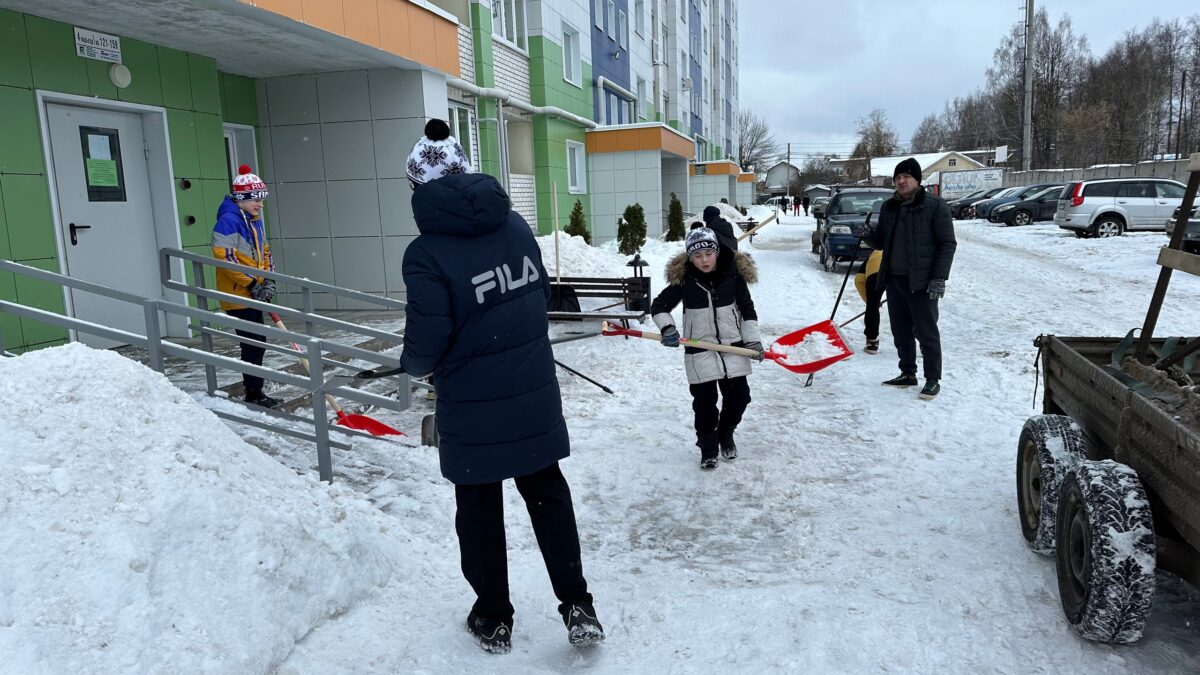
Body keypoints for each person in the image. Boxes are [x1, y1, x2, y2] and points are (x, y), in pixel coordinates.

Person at [399, 119, 603, 654]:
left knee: (479, 505)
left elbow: (428, 334)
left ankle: (493, 616)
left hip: (471, 400)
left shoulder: (426, 253)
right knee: (547, 494)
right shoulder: (513, 226)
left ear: (419, 186)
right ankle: (577, 604)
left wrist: (415, 363)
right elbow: (533, 295)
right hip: (531, 387)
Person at [650, 227, 762, 469]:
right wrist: (667, 328)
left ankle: (726, 434)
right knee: (704, 406)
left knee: (740, 398)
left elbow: (747, 309)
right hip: (699, 351)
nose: (704, 260)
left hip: (733, 349)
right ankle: (708, 449)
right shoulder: (685, 280)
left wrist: (752, 340)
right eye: (697, 256)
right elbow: (659, 306)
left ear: (716, 252)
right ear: (690, 258)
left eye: (708, 254)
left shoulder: (733, 275)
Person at [863, 157, 956, 400]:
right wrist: (868, 236)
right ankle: (907, 372)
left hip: (922, 281)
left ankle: (933, 378)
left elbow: (947, 244)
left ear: (917, 179)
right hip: (894, 279)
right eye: (898, 178)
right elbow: (882, 241)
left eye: (907, 177)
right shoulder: (889, 207)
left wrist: (939, 278)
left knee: (926, 332)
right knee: (900, 330)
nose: (901, 181)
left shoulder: (935, 206)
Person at [212, 165, 279, 408]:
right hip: (237, 294)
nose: (260, 204)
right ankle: (253, 393)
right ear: (241, 199)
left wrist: (268, 280)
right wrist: (252, 283)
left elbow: (265, 252)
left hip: (252, 291)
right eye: (255, 199)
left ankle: (255, 390)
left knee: (257, 341)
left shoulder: (254, 220)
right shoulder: (229, 221)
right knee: (253, 342)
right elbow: (224, 258)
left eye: (261, 199)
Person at [853, 249, 884, 354]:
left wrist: (871, 303)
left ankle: (872, 343)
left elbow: (859, 280)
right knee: (907, 305)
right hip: (901, 269)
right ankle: (924, 342)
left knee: (872, 307)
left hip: (876, 271)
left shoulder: (874, 255)